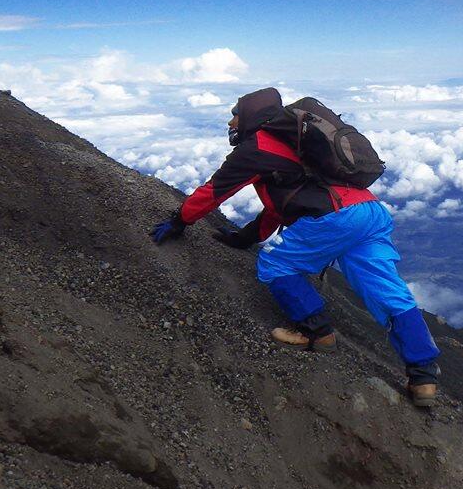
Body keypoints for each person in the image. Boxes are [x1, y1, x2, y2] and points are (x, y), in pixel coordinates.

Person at [150, 87, 441, 406]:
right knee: (388, 293)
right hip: (368, 213)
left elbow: (214, 191)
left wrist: (180, 221)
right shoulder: (293, 146)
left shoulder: (257, 146)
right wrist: (245, 237)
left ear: (252, 115)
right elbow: (279, 207)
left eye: (236, 114)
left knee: (275, 264)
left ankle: (317, 333)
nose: (231, 122)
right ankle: (423, 377)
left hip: (336, 218)